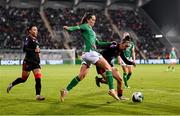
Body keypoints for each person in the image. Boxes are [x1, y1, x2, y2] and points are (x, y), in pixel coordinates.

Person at [60, 13, 119, 102]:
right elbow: (77, 27)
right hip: (91, 53)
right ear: (88, 20)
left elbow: (98, 44)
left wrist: (110, 43)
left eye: (95, 20)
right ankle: (112, 90)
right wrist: (68, 28)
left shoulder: (92, 31)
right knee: (108, 68)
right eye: (92, 19)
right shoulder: (85, 26)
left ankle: (65, 91)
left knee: (81, 76)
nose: (94, 21)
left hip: (86, 55)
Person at [7, 25, 45, 101]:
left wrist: (38, 54)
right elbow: (25, 49)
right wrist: (34, 50)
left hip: (35, 62)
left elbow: (36, 50)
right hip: (28, 61)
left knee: (38, 78)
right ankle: (12, 84)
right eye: (34, 30)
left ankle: (38, 95)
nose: (36, 31)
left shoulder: (36, 40)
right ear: (30, 31)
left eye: (36, 30)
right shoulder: (28, 38)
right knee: (23, 79)